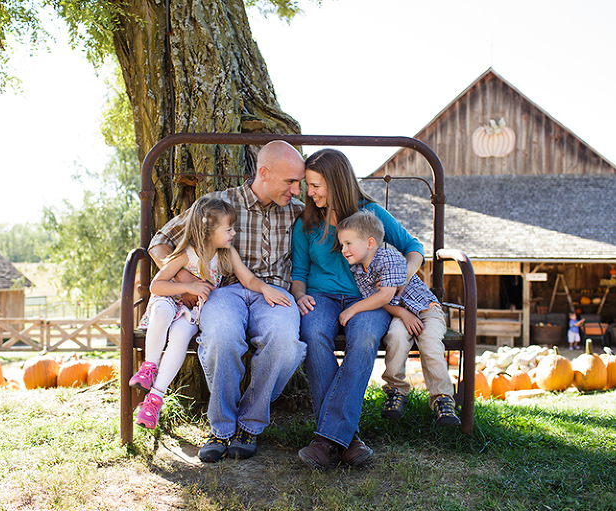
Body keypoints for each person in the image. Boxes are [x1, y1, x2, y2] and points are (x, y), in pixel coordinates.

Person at [147, 140, 307, 462]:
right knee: (220, 336)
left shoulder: (298, 212)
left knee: (285, 343)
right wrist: (187, 282)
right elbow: (160, 242)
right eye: (290, 181)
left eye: (299, 182)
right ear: (264, 172)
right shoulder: (220, 205)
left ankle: (249, 423)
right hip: (224, 292)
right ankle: (220, 428)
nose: (297, 190)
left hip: (273, 293)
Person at [291, 148, 425, 470]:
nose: (309, 193)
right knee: (311, 332)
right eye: (307, 185)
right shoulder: (306, 223)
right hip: (320, 297)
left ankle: (325, 441)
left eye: (315, 185)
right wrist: (299, 296)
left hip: (368, 298)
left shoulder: (370, 215)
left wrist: (397, 282)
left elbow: (414, 247)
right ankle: (347, 439)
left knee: (364, 338)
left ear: (336, 182)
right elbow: (299, 273)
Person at [129, 197, 292, 429]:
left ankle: (155, 398)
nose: (233, 233)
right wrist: (188, 286)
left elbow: (248, 279)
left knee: (181, 337)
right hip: (169, 301)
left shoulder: (225, 254)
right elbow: (157, 286)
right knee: (163, 312)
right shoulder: (185, 254)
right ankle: (149, 367)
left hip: (190, 312)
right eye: (228, 229)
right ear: (208, 231)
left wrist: (265, 288)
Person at [336, 210, 461, 428]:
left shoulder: (389, 258)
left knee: (430, 342)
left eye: (348, 243)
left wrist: (352, 309)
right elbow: (379, 300)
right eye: (342, 244)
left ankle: (442, 398)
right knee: (395, 337)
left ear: (370, 242)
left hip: (426, 309)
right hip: (400, 314)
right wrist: (402, 314)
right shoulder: (358, 270)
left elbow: (385, 294)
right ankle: (395, 391)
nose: (343, 250)